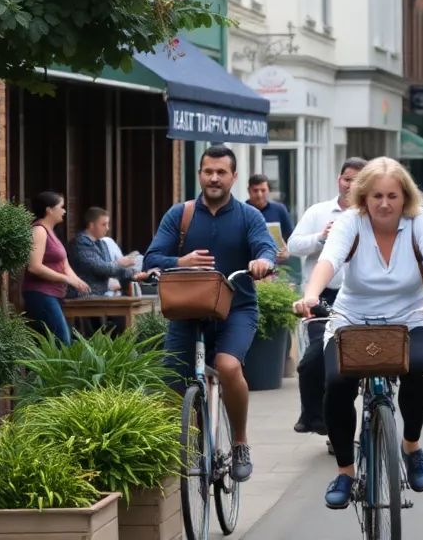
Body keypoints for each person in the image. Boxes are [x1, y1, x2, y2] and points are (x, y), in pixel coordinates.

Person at [292, 158, 423, 510]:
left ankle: (411, 446)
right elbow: (330, 259)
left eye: (393, 196)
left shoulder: (421, 222)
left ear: (406, 197)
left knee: (418, 366)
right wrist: (312, 294)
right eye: (376, 196)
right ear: (364, 197)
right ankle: (344, 471)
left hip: (412, 317)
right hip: (352, 318)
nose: (384, 204)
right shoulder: (350, 223)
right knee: (336, 382)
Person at [143, 146, 278, 482]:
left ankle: (240, 443)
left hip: (237, 309)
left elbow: (265, 246)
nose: (214, 178)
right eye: (208, 171)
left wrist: (262, 262)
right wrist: (179, 262)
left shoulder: (249, 216)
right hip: (187, 310)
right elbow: (151, 258)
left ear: (234, 177)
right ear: (200, 175)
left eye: (221, 172)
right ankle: (180, 448)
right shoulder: (181, 215)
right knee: (171, 385)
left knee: (229, 366)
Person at [286, 157, 366, 436]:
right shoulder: (319, 211)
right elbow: (293, 245)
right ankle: (314, 416)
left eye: (358, 180)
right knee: (313, 360)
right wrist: (320, 237)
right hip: (321, 297)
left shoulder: (371, 213)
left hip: (359, 299)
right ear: (339, 180)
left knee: (354, 365)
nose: (350, 185)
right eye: (347, 178)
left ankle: (354, 420)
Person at [22, 192, 90, 345]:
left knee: (57, 341)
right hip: (41, 293)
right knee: (62, 340)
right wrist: (65, 279)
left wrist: (78, 281)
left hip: (54, 294)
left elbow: (64, 264)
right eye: (61, 207)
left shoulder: (52, 232)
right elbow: (34, 266)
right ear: (49, 210)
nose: (64, 211)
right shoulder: (39, 231)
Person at [68, 207, 152, 296]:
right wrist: (120, 263)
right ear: (91, 225)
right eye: (104, 224)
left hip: (99, 294)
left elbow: (112, 270)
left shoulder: (101, 243)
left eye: (108, 224)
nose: (107, 228)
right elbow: (102, 268)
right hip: (83, 295)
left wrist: (136, 274)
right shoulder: (80, 243)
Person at [247, 174, 293, 269]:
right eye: (255, 191)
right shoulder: (243, 211)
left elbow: (292, 237)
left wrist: (287, 251)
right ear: (249, 191)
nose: (259, 195)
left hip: (278, 266)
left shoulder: (279, 210)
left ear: (268, 191)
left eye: (263, 190)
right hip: (251, 265)